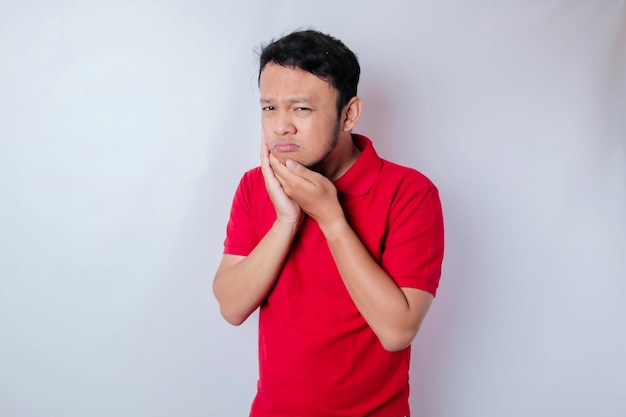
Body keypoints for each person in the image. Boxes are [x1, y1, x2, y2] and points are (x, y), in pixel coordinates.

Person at [213, 29, 444, 417]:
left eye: (301, 108)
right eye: (270, 108)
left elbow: (397, 331)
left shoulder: (410, 192)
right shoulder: (256, 186)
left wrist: (331, 218)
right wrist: (286, 221)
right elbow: (231, 306)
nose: (281, 126)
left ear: (349, 113)